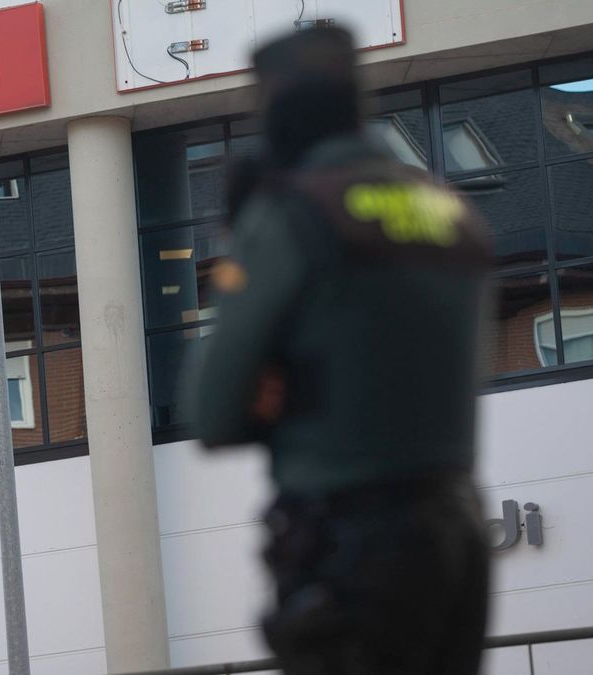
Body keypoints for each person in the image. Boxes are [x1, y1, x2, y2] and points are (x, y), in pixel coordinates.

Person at [193, 27, 493, 675]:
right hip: (461, 534)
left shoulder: (294, 213)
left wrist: (241, 236)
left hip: (355, 556)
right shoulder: (447, 208)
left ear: (275, 107)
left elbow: (211, 410)